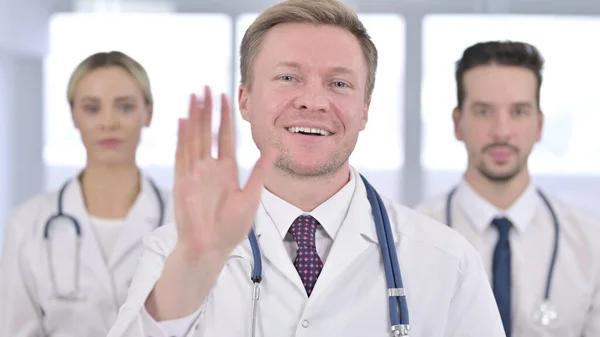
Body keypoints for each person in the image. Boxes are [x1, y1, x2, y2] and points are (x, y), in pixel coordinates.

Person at [107, 1, 506, 336]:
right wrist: (193, 270)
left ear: (365, 109)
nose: (313, 101)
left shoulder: (446, 261)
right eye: (288, 77)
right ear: (245, 100)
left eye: (339, 84)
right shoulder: (173, 252)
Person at [415, 41, 600, 337]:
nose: (501, 131)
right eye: (484, 111)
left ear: (539, 125)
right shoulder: (410, 240)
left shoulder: (591, 244)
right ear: (457, 123)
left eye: (519, 112)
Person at [0, 51, 174, 336]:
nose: (108, 122)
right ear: (73, 116)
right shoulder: (26, 223)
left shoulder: (183, 218)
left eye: (125, 107)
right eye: (92, 108)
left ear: (148, 113)